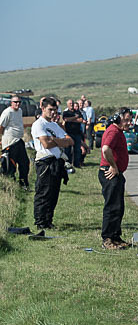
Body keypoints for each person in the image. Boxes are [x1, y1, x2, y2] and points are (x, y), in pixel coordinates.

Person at [31, 97, 73, 233]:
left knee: (54, 193)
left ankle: (48, 220)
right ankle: (40, 221)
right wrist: (59, 141)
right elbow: (46, 144)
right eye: (50, 110)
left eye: (55, 110)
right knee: (44, 192)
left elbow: (70, 141)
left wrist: (53, 139)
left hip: (56, 161)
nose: (53, 113)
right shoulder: (39, 124)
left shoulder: (54, 125)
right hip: (45, 162)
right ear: (43, 108)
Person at [99, 108, 133, 249]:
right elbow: (106, 149)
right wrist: (113, 166)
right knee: (112, 207)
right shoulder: (113, 131)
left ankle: (115, 237)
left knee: (118, 207)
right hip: (110, 173)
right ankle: (107, 239)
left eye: (130, 119)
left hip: (116, 174)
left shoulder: (118, 131)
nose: (129, 123)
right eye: (126, 119)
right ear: (118, 119)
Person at [0, 95, 31, 190]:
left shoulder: (20, 111)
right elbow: (1, 126)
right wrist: (1, 139)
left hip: (18, 140)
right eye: (15, 102)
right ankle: (10, 187)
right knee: (10, 166)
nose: (17, 104)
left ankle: (23, 184)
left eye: (19, 102)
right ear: (11, 103)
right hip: (10, 142)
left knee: (25, 163)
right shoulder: (7, 112)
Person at [62, 99, 85, 167]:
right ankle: (68, 164)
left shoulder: (78, 112)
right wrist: (75, 118)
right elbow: (66, 119)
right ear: (67, 104)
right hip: (69, 133)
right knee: (68, 150)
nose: (71, 104)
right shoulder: (66, 113)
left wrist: (71, 119)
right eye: (70, 103)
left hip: (77, 133)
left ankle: (76, 164)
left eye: (72, 103)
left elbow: (81, 120)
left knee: (77, 150)